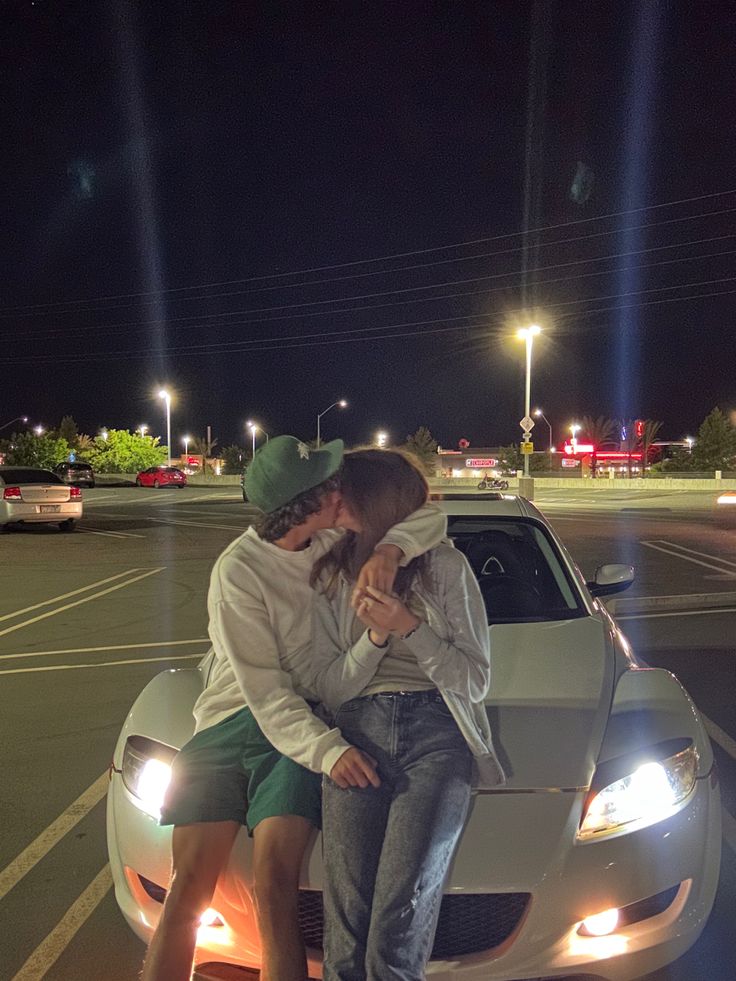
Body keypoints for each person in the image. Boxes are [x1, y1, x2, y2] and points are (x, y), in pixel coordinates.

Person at [141, 435, 446, 981]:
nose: (341, 492)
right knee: (187, 888)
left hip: (294, 729)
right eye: (329, 486)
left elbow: (430, 519)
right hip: (234, 723)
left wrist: (387, 550)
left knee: (274, 885)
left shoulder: (328, 538)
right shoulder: (238, 572)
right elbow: (262, 689)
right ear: (302, 504)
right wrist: (329, 751)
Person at [310, 449, 505, 981]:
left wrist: (408, 626)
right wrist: (374, 638)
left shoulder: (445, 567)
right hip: (357, 733)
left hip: (438, 732)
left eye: (343, 493)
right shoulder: (331, 568)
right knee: (346, 918)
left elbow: (475, 680)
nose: (333, 503)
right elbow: (330, 687)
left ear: (372, 500)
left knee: (400, 912)